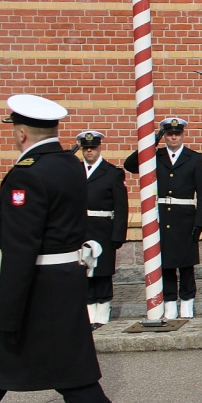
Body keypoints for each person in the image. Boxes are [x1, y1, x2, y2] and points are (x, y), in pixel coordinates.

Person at [0, 95, 123, 403]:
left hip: (38, 285)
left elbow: (20, 246)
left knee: (12, 358)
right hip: (62, 281)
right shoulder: (69, 164)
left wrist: (9, 307)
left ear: (20, 133)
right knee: (57, 365)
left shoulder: (27, 174)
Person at [124, 117, 202, 320]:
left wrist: (199, 223)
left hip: (185, 219)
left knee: (186, 265)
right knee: (167, 264)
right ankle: (170, 302)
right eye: (169, 134)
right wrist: (152, 141)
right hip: (162, 218)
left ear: (182, 135)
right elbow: (130, 165)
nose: (173, 137)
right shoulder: (156, 156)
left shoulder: (194, 158)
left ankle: (187, 303)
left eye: (177, 134)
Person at [77, 131, 128, 330]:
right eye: (86, 148)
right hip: (81, 230)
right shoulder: (76, 171)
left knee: (102, 273)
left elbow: (121, 207)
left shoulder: (112, 173)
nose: (89, 151)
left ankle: (103, 312)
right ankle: (89, 313)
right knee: (85, 273)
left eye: (93, 147)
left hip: (103, 230)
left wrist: (118, 235)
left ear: (99, 148)